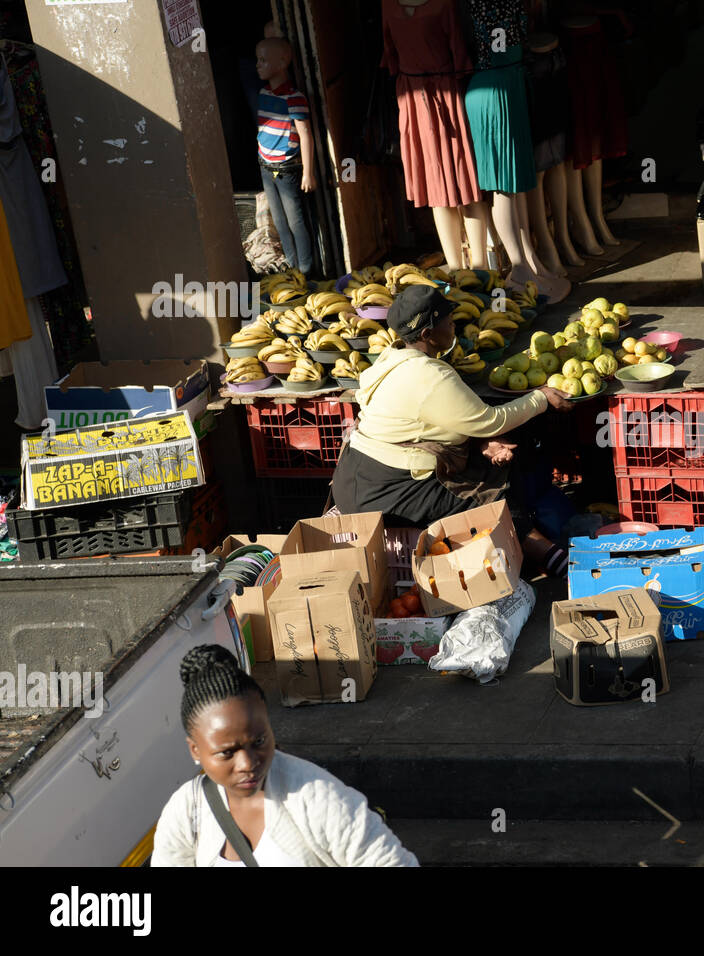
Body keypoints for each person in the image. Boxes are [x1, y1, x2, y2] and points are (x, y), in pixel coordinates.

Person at [331, 285, 575, 576]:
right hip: (385, 492)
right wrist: (540, 399)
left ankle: (531, 547)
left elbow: (431, 421)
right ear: (427, 335)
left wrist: (483, 441)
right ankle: (548, 556)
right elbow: (489, 420)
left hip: (353, 479)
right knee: (488, 496)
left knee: (489, 467)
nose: (454, 325)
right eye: (448, 321)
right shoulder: (429, 375)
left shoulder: (389, 359)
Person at [152, 645, 418, 867]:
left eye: (259, 741)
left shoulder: (317, 799)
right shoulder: (187, 811)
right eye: (227, 753)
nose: (247, 763)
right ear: (195, 750)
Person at [255, 36, 316, 275]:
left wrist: (308, 173)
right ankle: (291, 267)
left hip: (287, 168)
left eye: (263, 60)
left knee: (295, 221)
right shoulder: (263, 93)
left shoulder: (294, 98)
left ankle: (306, 269)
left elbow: (306, 135)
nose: (258, 65)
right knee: (279, 221)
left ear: (282, 62)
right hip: (265, 165)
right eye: (257, 59)